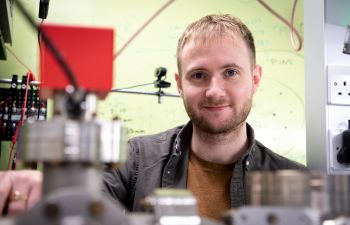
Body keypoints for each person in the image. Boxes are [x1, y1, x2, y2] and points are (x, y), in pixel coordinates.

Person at [0, 14, 305, 220]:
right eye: (199, 75)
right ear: (180, 83)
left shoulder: (299, 184)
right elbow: (86, 200)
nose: (214, 91)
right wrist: (49, 191)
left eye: (230, 72)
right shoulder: (134, 159)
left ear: (255, 79)